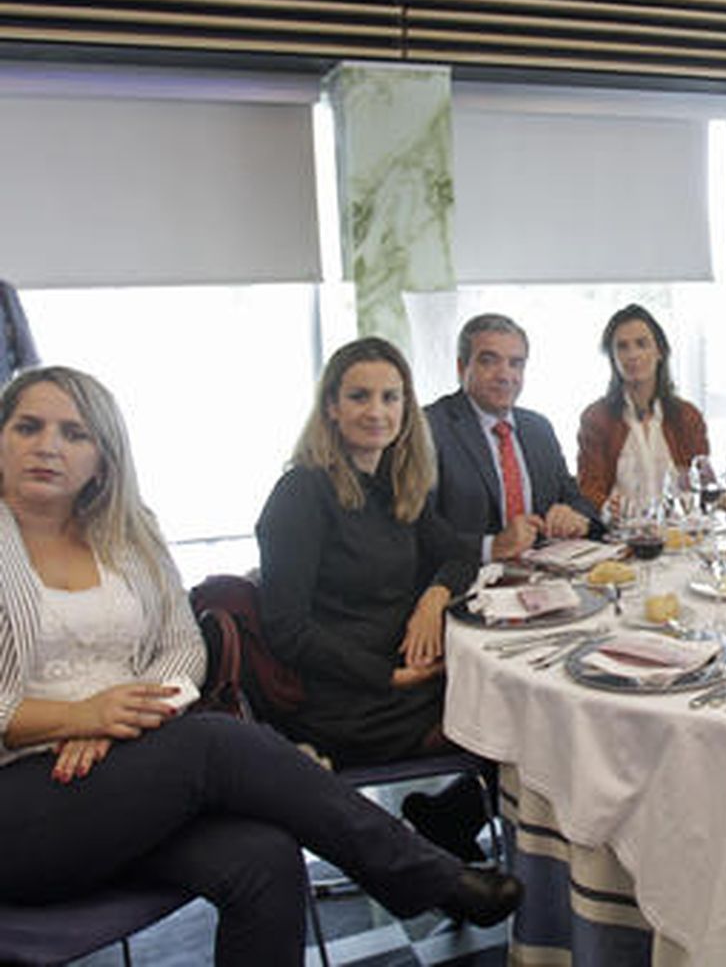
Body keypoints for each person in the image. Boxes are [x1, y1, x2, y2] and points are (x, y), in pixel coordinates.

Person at [0, 367, 519, 966]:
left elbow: (183, 647)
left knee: (266, 858)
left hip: (125, 772)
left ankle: (422, 874)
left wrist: (118, 718)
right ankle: (429, 877)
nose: (48, 446)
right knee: (214, 744)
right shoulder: (303, 492)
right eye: (28, 427)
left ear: (103, 457)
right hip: (20, 802)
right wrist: (76, 716)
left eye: (74, 433)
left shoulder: (128, 533)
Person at [256, 337, 487, 860]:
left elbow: (459, 554)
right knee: (513, 716)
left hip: (406, 683)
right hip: (352, 701)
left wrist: (433, 597)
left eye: (391, 397)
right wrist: (388, 676)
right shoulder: (301, 494)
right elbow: (287, 630)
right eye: (360, 396)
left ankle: (447, 822)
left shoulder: (395, 483)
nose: (377, 412)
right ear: (331, 408)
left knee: (519, 705)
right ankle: (448, 843)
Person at [427, 313, 601, 561]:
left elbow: (575, 499)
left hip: (543, 574)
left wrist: (577, 517)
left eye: (515, 363)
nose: (505, 375)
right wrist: (492, 547)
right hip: (467, 577)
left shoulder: (538, 428)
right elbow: (419, 531)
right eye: (489, 361)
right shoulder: (429, 428)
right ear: (461, 367)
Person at [576, 304, 709, 515]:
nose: (632, 354)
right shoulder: (596, 418)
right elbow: (588, 490)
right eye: (622, 347)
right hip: (619, 530)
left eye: (641, 344)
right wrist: (606, 508)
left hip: (679, 530)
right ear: (613, 358)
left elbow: (704, 483)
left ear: (659, 352)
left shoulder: (687, 416)